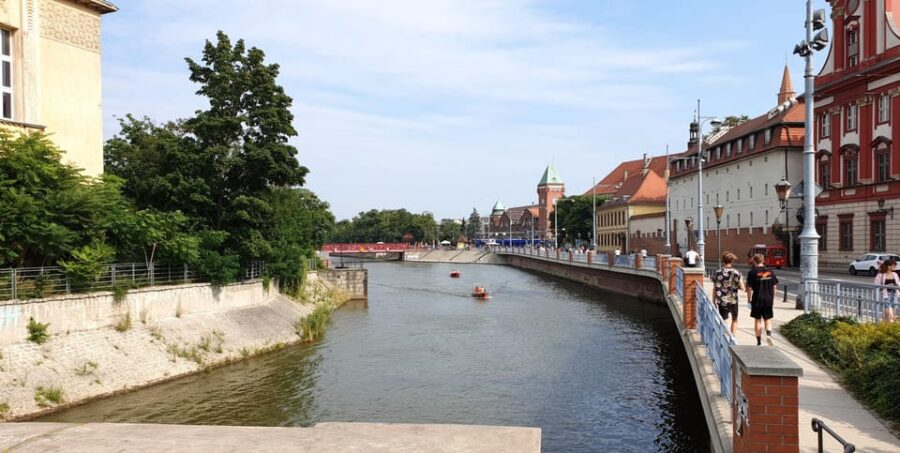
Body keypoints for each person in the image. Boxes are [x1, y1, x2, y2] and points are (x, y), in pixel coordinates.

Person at [746, 253, 778, 346]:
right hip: (768, 299)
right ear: (763, 261)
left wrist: (749, 300)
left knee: (757, 320)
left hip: (757, 299)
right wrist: (772, 298)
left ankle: (759, 341)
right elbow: (774, 286)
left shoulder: (752, 272)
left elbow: (749, 288)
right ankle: (768, 335)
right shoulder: (770, 271)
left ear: (754, 261)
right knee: (767, 319)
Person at [713, 252, 744, 335]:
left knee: (724, 319)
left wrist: (714, 300)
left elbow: (715, 288)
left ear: (723, 260)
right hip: (733, 299)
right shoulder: (737, 273)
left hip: (721, 299)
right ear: (732, 260)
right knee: (734, 319)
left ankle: (726, 335)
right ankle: (733, 337)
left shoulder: (717, 272)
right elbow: (742, 288)